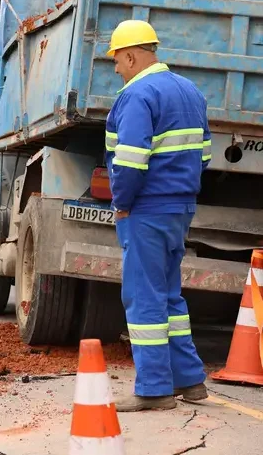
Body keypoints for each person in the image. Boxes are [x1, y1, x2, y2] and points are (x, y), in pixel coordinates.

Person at [104, 20, 210, 412]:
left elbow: (130, 161)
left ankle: (153, 390)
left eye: (118, 60)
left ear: (132, 56)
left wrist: (122, 202)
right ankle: (190, 381)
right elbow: (204, 155)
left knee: (144, 297)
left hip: (146, 209)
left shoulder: (137, 94)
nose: (116, 68)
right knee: (168, 296)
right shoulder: (190, 91)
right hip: (179, 207)